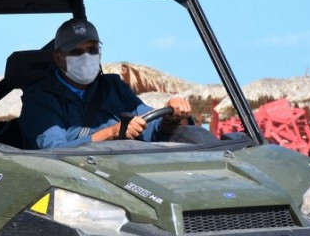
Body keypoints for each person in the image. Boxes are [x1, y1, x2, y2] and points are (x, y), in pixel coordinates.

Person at [19, 18, 192, 149]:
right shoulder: (39, 100)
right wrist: (110, 133)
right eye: (77, 52)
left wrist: (169, 120)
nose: (86, 57)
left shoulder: (114, 87)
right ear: (59, 58)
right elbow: (54, 153)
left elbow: (149, 126)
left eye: (92, 50)